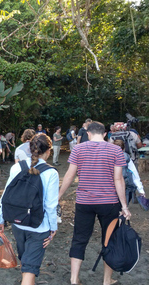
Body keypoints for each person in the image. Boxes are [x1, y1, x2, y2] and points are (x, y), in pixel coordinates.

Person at [58, 121, 131, 285]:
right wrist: (124, 206)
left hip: (84, 202)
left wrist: (59, 195)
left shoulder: (78, 149)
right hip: (109, 202)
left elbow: (70, 174)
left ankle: (74, 279)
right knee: (109, 239)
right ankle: (106, 280)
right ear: (105, 134)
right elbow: (118, 179)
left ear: (88, 133)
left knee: (79, 239)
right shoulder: (115, 150)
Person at [0, 133, 59, 285]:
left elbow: (6, 195)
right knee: (30, 268)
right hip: (39, 226)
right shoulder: (51, 173)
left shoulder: (17, 167)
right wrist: (53, 228)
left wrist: (1, 218)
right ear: (48, 151)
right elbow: (50, 206)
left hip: (18, 223)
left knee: (26, 262)